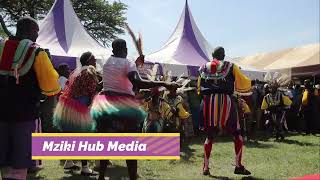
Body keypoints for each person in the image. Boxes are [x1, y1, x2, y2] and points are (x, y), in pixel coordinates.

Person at [90, 39, 179, 180]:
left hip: (105, 105)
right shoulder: (127, 62)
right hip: (124, 106)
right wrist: (165, 83)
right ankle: (132, 176)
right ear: (125, 49)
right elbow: (138, 82)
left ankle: (101, 175)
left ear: (113, 50)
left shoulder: (107, 63)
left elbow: (112, 80)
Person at [0, 17, 61, 180]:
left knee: (5, 164)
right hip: (24, 116)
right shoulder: (36, 51)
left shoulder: (1, 47)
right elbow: (51, 86)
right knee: (19, 167)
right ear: (29, 31)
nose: (37, 35)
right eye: (36, 31)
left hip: (1, 115)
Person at [198, 46, 251, 176]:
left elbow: (199, 87)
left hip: (208, 101)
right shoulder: (231, 66)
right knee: (237, 134)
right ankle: (238, 166)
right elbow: (243, 82)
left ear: (212, 55)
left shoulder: (203, 67)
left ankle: (205, 167)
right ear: (224, 55)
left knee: (209, 136)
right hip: (226, 101)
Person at [53, 52, 99, 176]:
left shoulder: (76, 72)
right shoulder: (90, 73)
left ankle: (69, 161)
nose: (95, 62)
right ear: (89, 61)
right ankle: (85, 167)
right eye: (94, 59)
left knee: (72, 136)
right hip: (79, 108)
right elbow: (91, 92)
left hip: (67, 107)